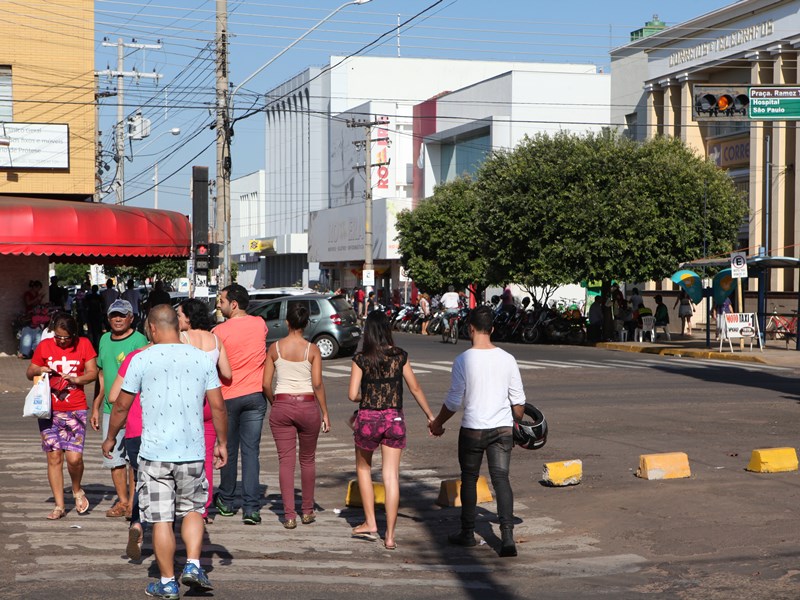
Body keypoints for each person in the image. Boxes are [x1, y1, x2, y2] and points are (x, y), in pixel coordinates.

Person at [103, 305, 228, 598]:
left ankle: (168, 582)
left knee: (160, 519)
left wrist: (111, 437)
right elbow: (219, 405)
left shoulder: (141, 359)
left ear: (153, 328)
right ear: (178, 325)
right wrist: (222, 442)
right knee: (194, 510)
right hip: (193, 451)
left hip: (155, 453)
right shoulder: (201, 358)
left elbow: (120, 404)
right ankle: (194, 564)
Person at [429, 305, 526, 558]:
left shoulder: (463, 360)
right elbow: (519, 404)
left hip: (472, 430)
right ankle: (506, 538)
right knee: (501, 479)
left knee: (469, 479)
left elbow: (453, 402)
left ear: (470, 328)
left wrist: (437, 423)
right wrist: (515, 422)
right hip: (502, 430)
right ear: (492, 329)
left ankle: (467, 533)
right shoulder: (508, 359)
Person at [348, 311, 435, 550]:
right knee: (391, 476)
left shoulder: (361, 359)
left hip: (368, 419)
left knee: (364, 469)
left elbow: (352, 394)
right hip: (394, 419)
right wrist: (430, 416)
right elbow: (415, 387)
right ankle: (390, 536)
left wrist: (368, 396)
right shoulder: (400, 356)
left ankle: (370, 523)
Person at [262, 302, 330, 529]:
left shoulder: (275, 348)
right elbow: (318, 383)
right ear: (306, 323)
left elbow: (265, 384)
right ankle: (308, 511)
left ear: (287, 322)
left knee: (285, 462)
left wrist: (276, 403)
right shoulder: (312, 349)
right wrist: (325, 413)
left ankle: (289, 515)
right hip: (308, 405)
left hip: (282, 405)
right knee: (308, 460)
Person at [26, 312, 98, 520]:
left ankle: (77, 489)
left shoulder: (84, 344)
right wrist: (40, 368)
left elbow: (93, 373)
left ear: (74, 334)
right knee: (54, 456)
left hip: (75, 408)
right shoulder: (45, 346)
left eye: (66, 338)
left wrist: (76, 378)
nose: (61, 341)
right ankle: (59, 505)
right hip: (48, 409)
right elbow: (30, 371)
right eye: (57, 336)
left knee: (74, 458)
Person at [212, 284, 268, 525]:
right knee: (251, 452)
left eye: (222, 301)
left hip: (228, 397)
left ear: (233, 304)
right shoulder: (260, 324)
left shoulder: (218, 332)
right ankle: (251, 509)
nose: (219, 305)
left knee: (228, 450)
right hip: (255, 397)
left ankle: (226, 500)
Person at [90, 299, 148, 519]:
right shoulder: (104, 339)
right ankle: (123, 501)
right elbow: (102, 375)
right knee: (113, 459)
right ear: (108, 318)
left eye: (122, 315)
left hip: (134, 410)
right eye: (114, 315)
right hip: (109, 409)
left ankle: (134, 503)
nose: (118, 319)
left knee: (134, 459)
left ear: (131, 318)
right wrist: (95, 406)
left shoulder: (139, 340)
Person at [178, 298, 232, 523]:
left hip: (185, 404)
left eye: (180, 315)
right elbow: (227, 374)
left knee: (182, 456)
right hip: (210, 403)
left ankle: (184, 504)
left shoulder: (181, 338)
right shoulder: (216, 340)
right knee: (207, 459)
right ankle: (204, 509)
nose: (178, 319)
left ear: (189, 318)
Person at [108, 340, 150, 560]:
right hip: (169, 435)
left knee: (142, 483)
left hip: (135, 432)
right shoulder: (183, 355)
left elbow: (114, 397)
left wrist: (110, 438)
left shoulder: (134, 357)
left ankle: (137, 524)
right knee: (167, 488)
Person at [85, 284, 105, 351]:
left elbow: (85, 306)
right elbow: (103, 306)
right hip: (97, 315)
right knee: (98, 331)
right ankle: (97, 343)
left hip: (90, 314)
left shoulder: (88, 297)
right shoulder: (99, 297)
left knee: (91, 330)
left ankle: (92, 344)